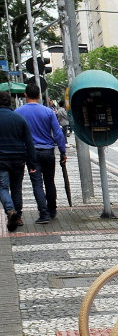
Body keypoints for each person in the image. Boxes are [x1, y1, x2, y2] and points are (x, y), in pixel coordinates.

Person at [15, 83, 60, 224]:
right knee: (50, 181)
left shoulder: (18, 112)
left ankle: (44, 214)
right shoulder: (48, 112)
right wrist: (63, 152)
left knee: (37, 183)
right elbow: (58, 133)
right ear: (40, 96)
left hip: (30, 153)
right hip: (48, 151)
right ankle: (52, 209)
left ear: (25, 95)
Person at [0, 90, 38, 231]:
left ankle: (10, 211)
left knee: (2, 187)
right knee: (17, 188)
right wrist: (32, 163)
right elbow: (29, 143)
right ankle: (19, 217)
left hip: (1, 160)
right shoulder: (19, 118)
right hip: (18, 159)